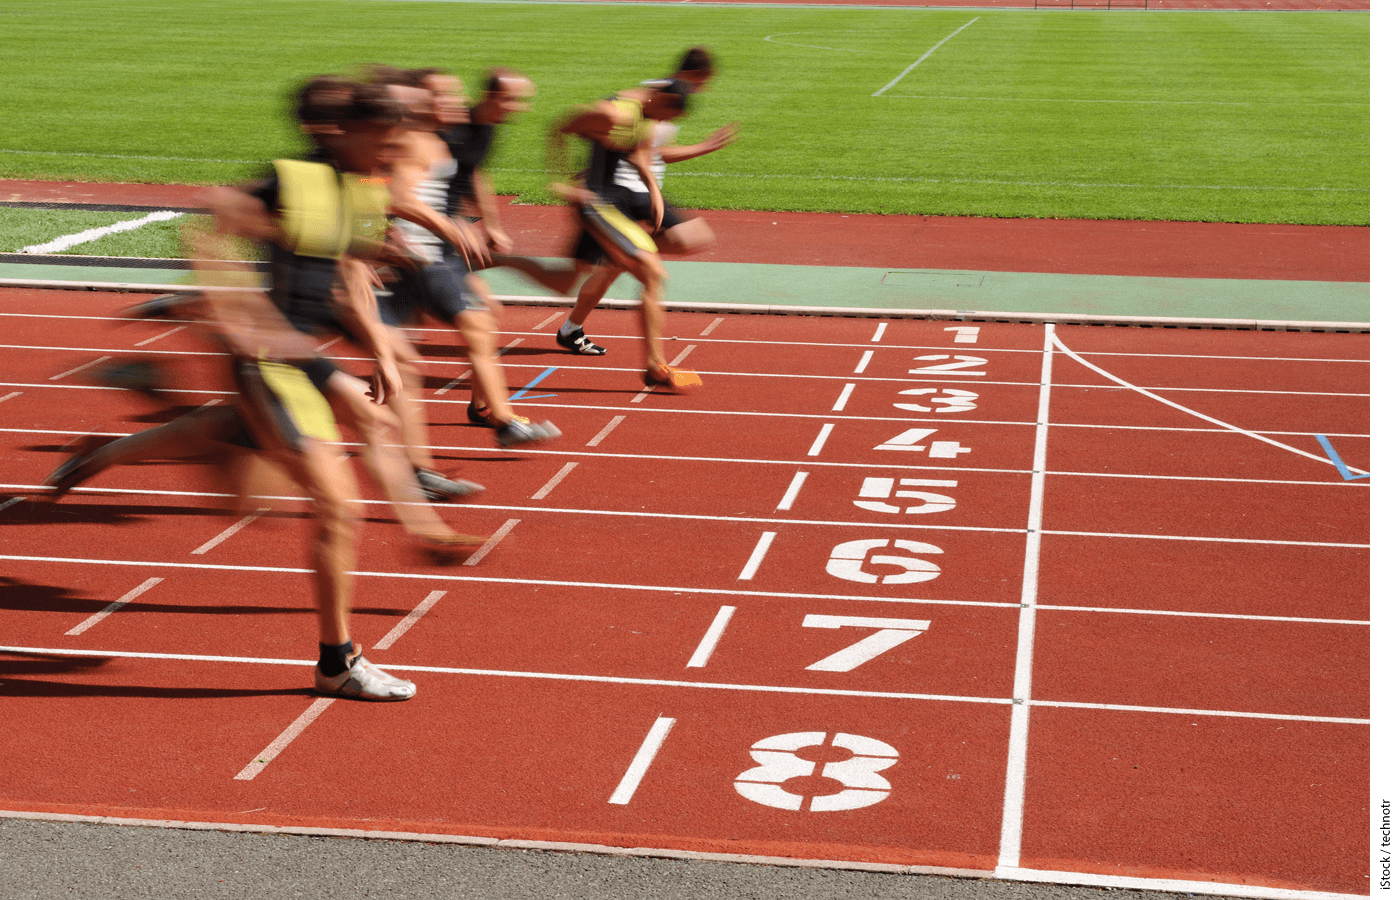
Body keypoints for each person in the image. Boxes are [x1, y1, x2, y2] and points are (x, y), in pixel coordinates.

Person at [375, 66, 560, 444]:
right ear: (418, 101)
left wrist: (478, 223)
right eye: (443, 96)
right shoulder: (412, 140)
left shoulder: (438, 139)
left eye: (455, 94)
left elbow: (468, 176)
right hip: (421, 253)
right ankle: (501, 420)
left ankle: (482, 413)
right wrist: (448, 226)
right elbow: (395, 195)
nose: (457, 102)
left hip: (436, 249)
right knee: (472, 327)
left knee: (445, 334)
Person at [553, 48, 738, 358]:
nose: (704, 90)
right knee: (588, 271)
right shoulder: (649, 100)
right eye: (705, 82)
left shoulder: (666, 100)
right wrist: (703, 147)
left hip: (640, 189)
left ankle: (577, 319)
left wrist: (651, 185)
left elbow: (643, 149)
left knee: (687, 239)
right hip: (619, 192)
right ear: (694, 76)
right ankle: (578, 321)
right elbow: (645, 147)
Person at [541, 80, 702, 389]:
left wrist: (653, 190)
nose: (663, 124)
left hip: (617, 206)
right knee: (650, 271)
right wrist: (560, 181)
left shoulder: (646, 115)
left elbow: (640, 154)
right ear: (659, 98)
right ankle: (655, 365)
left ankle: (655, 363)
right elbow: (560, 127)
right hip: (596, 203)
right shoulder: (614, 114)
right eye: (665, 116)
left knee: (641, 274)